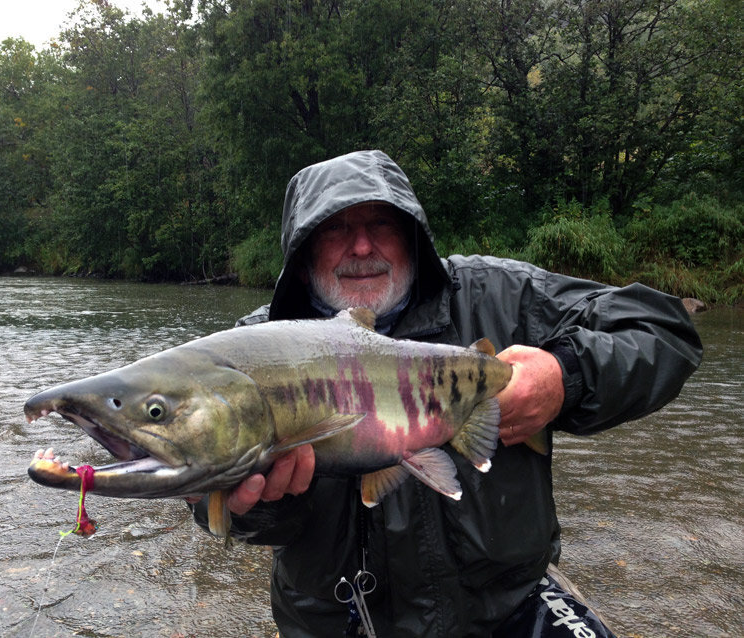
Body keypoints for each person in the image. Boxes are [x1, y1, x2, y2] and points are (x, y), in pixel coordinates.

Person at [191, 150, 702, 637]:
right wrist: (253, 503)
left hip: (504, 611)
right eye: (335, 229)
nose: (362, 247)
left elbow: (664, 331)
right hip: (335, 621)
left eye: (381, 224)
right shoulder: (249, 352)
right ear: (303, 255)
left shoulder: (499, 296)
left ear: (413, 235)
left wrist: (563, 377)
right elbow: (220, 513)